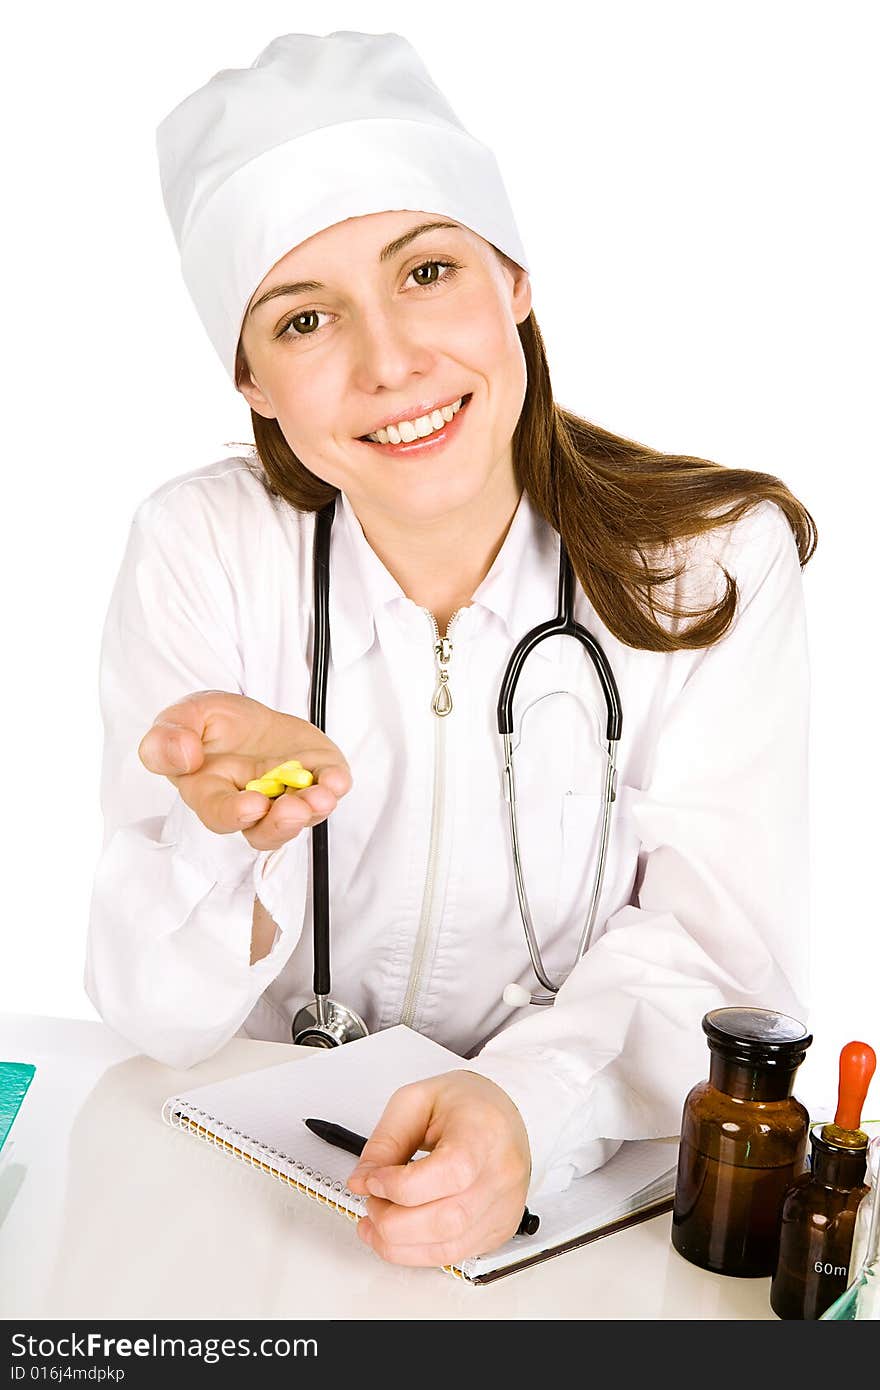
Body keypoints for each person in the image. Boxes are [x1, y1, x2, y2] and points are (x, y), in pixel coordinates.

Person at [85, 31, 816, 1270]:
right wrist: (229, 835)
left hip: (590, 1218)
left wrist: (525, 1105)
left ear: (515, 280)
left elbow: (722, 959)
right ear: (252, 381)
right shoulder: (201, 549)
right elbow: (153, 1012)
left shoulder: (714, 561)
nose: (391, 363)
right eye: (304, 318)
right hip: (269, 1214)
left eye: (427, 271)